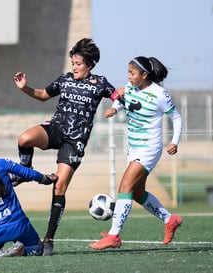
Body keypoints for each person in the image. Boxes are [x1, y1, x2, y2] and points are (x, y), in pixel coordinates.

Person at [13, 38, 121, 256]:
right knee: (24, 138)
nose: (74, 67)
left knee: (59, 187)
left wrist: (116, 105)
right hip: (55, 130)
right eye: (72, 62)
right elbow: (43, 95)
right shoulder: (65, 79)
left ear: (90, 64)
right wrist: (25, 88)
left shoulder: (100, 83)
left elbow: (116, 95)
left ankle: (49, 239)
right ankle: (25, 171)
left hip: (75, 142)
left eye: (78, 63)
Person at [89, 56, 183, 250]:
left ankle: (114, 236)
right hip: (133, 148)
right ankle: (170, 219)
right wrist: (114, 109)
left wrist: (174, 142)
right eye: (128, 73)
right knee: (138, 193)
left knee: (125, 187)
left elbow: (176, 117)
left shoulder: (160, 94)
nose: (129, 77)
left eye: (132, 73)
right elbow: (124, 100)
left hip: (149, 148)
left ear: (144, 75)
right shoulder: (130, 87)